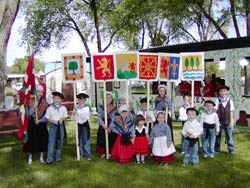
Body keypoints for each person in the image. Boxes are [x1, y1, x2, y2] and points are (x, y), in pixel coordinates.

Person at [23, 85, 49, 165]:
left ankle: (41, 156)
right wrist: (33, 107)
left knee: (42, 139)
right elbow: (28, 114)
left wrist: (40, 120)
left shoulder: (44, 101)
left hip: (41, 123)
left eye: (41, 91)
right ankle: (30, 156)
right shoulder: (30, 101)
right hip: (32, 123)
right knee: (31, 140)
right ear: (35, 92)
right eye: (38, 91)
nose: (40, 93)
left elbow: (46, 114)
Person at [45, 91, 68, 164]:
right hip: (53, 126)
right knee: (51, 143)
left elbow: (65, 116)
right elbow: (47, 118)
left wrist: (62, 119)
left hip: (60, 126)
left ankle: (58, 157)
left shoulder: (63, 108)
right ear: (53, 99)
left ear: (61, 100)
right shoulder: (50, 108)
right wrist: (52, 121)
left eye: (58, 99)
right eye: (55, 98)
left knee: (59, 142)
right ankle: (49, 158)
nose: (57, 100)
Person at [215, 85, 235, 155]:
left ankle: (231, 150)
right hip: (219, 122)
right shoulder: (217, 100)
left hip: (227, 121)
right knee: (218, 136)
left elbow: (231, 111)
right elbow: (215, 110)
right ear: (219, 93)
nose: (223, 92)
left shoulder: (230, 101)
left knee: (229, 137)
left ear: (227, 92)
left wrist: (231, 122)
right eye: (221, 91)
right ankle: (217, 150)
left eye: (224, 91)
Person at [96, 91, 117, 158]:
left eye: (109, 98)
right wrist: (103, 125)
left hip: (111, 123)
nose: (107, 99)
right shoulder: (101, 107)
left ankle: (110, 152)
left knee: (111, 138)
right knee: (102, 138)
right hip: (103, 123)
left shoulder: (114, 107)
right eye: (106, 98)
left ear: (112, 99)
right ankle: (103, 152)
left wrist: (110, 127)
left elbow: (114, 118)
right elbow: (99, 117)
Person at [72, 93, 91, 160]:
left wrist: (77, 110)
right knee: (79, 141)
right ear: (78, 100)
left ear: (85, 100)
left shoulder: (87, 108)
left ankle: (88, 155)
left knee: (85, 141)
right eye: (80, 99)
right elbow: (72, 118)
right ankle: (80, 154)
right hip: (78, 126)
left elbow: (83, 116)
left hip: (85, 125)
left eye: (83, 99)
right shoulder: (76, 107)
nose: (81, 101)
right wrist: (73, 114)